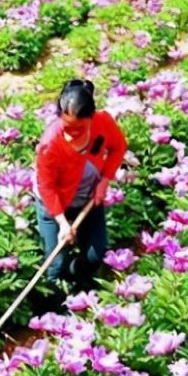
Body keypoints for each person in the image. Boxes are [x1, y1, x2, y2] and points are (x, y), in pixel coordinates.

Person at [34, 79, 127, 302]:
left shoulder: (102, 123)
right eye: (67, 127)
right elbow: (47, 187)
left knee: (96, 255)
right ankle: (53, 307)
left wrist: (105, 180)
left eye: (79, 128)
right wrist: (63, 223)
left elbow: (118, 147)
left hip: (88, 200)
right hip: (55, 206)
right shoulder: (50, 145)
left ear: (91, 118)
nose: (71, 134)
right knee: (56, 261)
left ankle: (80, 280)